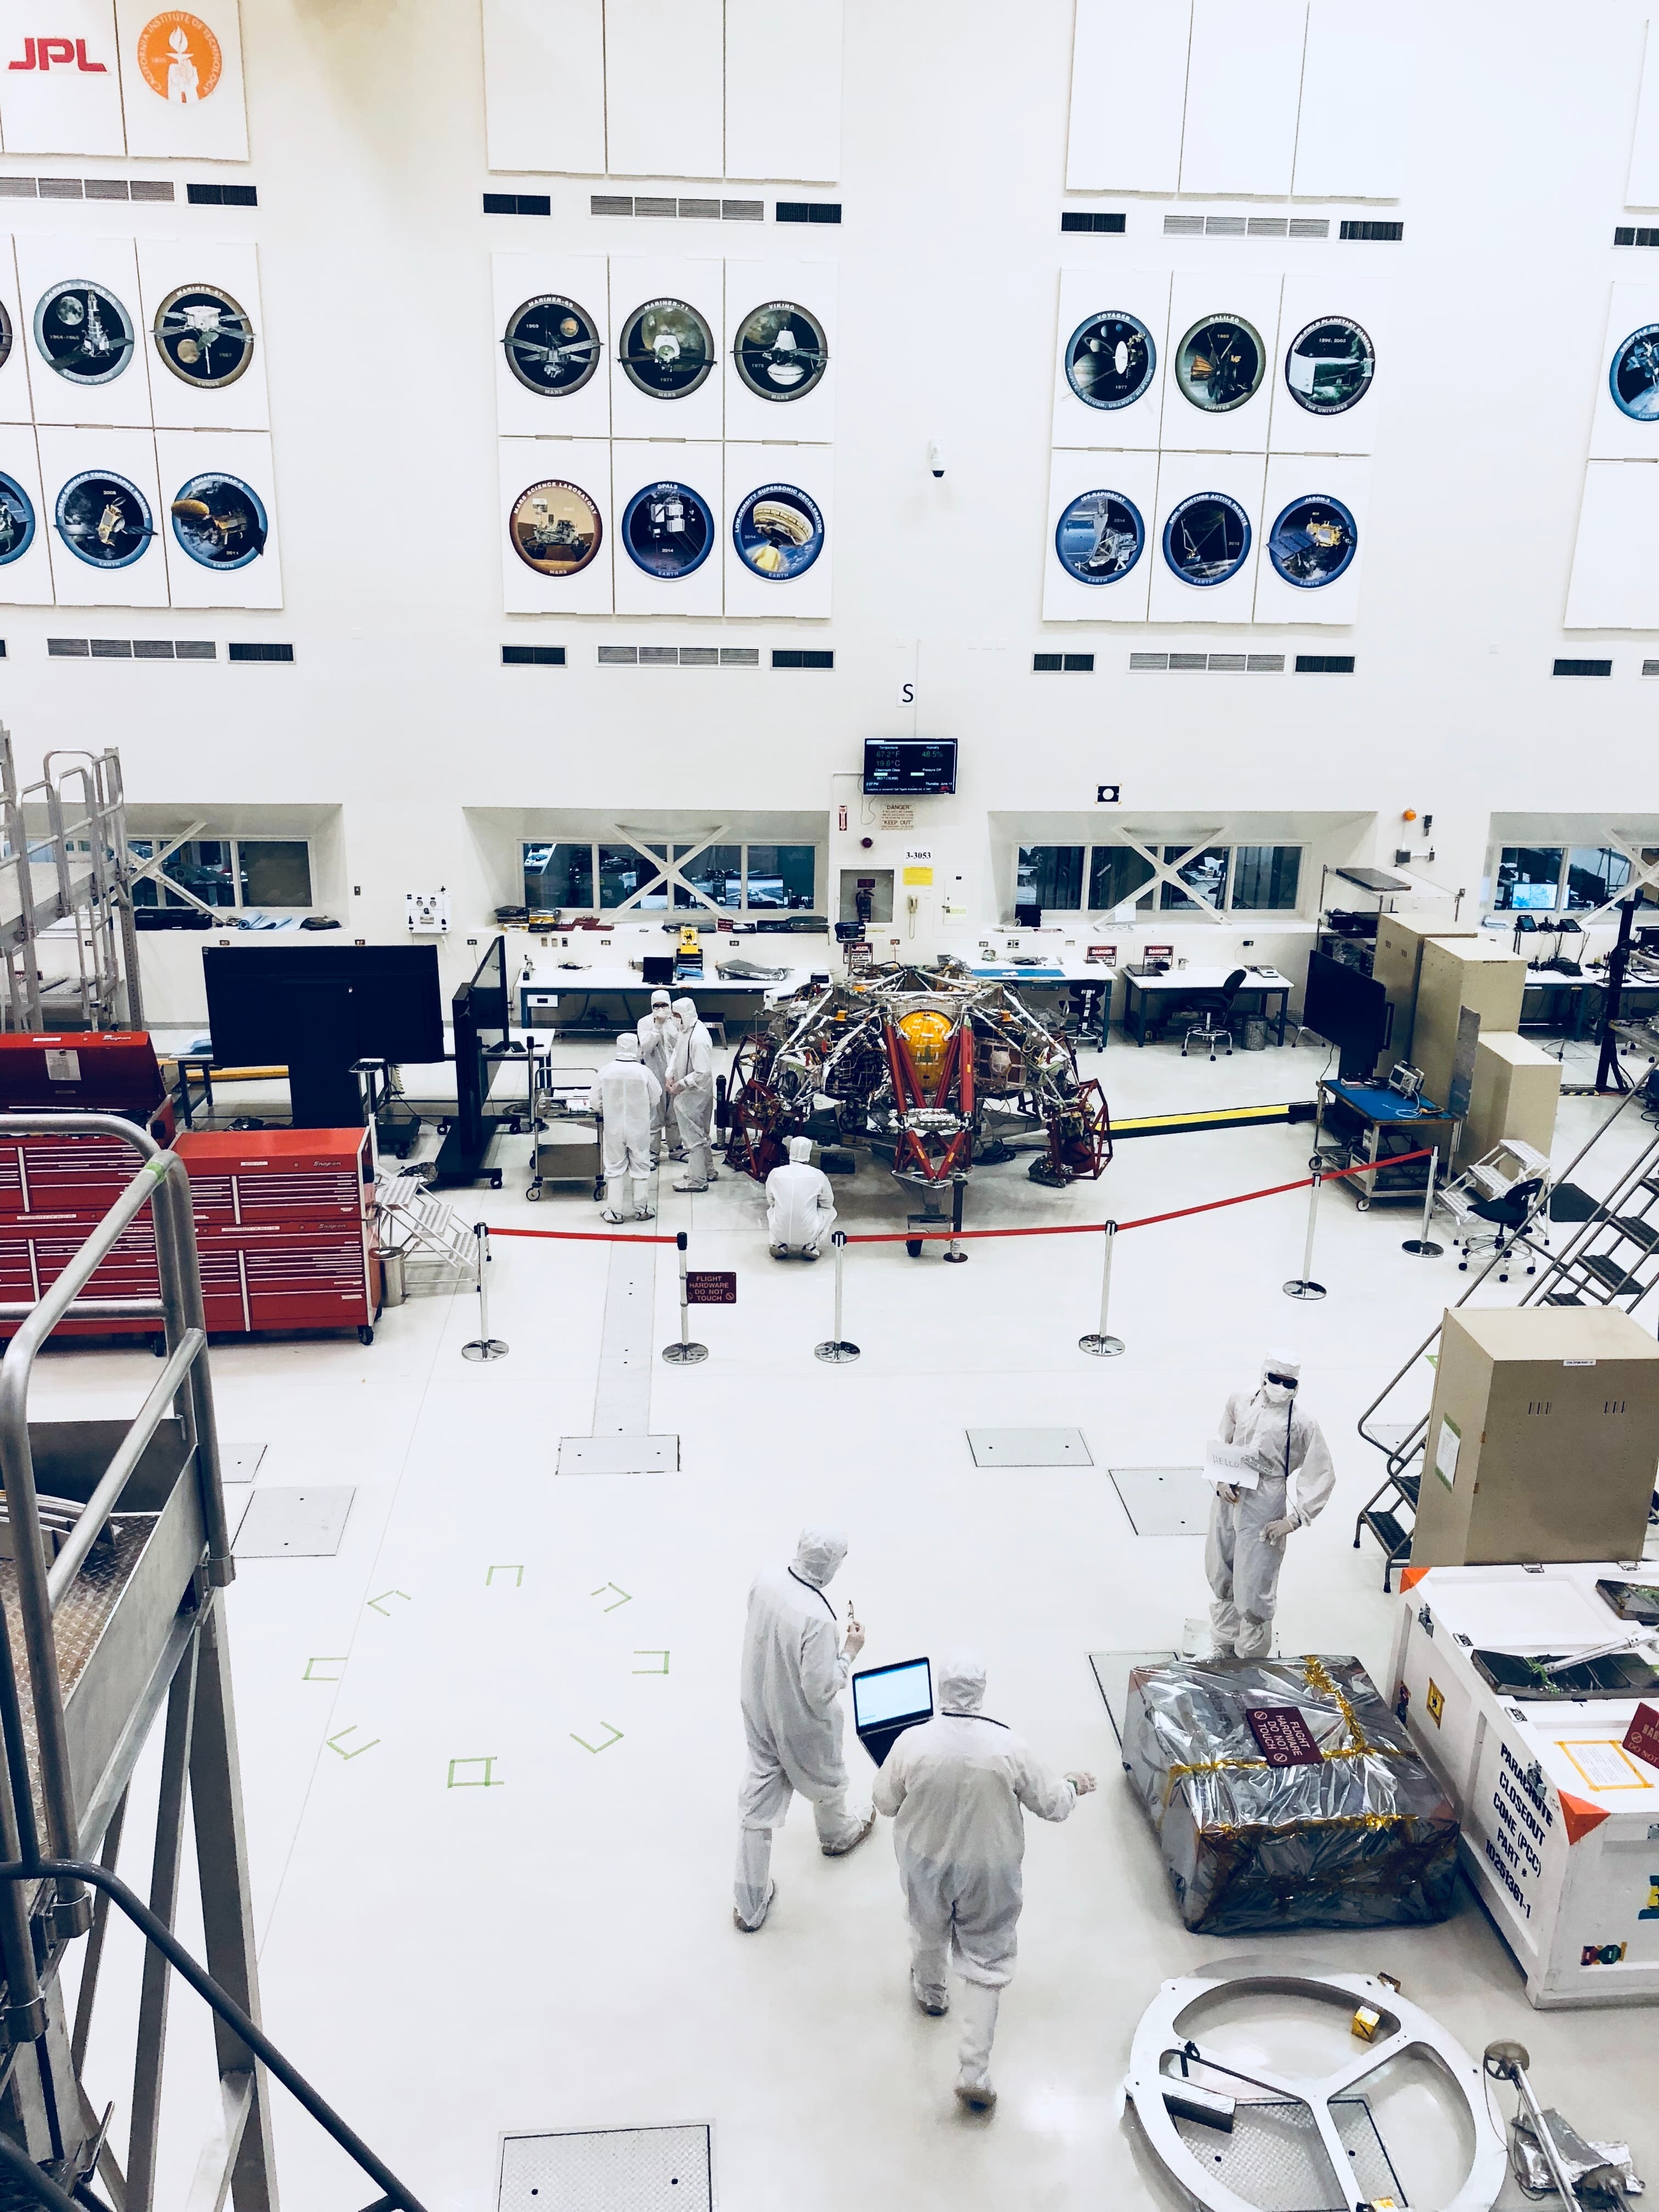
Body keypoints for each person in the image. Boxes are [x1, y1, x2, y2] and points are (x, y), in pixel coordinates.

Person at [873, 1650, 1095, 2114]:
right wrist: (1073, 1783)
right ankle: (974, 2072)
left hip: (924, 1862)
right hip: (989, 1870)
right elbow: (1053, 1805)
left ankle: (931, 1994)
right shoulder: (1008, 1746)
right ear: (981, 1693)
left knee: (927, 1930)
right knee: (987, 1958)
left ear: (941, 1690)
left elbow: (884, 1803)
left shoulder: (913, 1742)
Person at [735, 1527, 875, 1932]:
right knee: (828, 1779)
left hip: (760, 1704)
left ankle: (749, 1904)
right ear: (829, 1564)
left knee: (756, 1805)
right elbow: (819, 1689)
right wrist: (849, 1653)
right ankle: (836, 1835)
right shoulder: (818, 1618)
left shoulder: (766, 1579)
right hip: (801, 1724)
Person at [1205, 1350, 1336, 1660]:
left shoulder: (1303, 1424)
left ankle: (1250, 1663)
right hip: (1230, 1494)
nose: (1281, 1387)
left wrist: (1294, 1519)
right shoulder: (1240, 1401)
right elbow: (1222, 1440)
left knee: (1254, 1582)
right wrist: (1221, 1479)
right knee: (1221, 1565)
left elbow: (1322, 1472)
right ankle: (1222, 1648)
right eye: (1275, 1380)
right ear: (1263, 1377)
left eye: (1288, 1383)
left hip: (1265, 1499)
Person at [586, 1033, 659, 1224]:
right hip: (639, 1128)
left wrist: (608, 1109)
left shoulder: (606, 1071)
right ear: (636, 1047)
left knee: (614, 1168)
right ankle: (642, 1209)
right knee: (641, 1166)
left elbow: (594, 1100)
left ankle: (615, 1212)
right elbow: (657, 1096)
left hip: (614, 1128)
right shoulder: (643, 1072)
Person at [667, 995, 716, 1192]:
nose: (673, 1019)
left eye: (676, 1015)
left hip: (695, 1094)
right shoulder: (686, 1029)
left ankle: (697, 1181)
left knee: (693, 1138)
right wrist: (669, 1074)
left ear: (686, 1015)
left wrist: (681, 1084)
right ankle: (707, 1171)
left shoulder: (699, 1039)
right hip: (688, 1092)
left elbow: (702, 1072)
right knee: (701, 1134)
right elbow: (677, 1053)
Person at [765, 1135, 837, 1260]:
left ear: (790, 1151)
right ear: (808, 1154)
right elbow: (828, 1203)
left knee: (773, 1209)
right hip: (808, 1233)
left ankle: (779, 1244)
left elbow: (771, 1200)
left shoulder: (776, 1173)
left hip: (779, 1231)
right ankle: (811, 1246)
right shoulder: (818, 1175)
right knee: (831, 1212)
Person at [636, 988, 678, 1160]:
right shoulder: (645, 1023)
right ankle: (653, 1151)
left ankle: (676, 1148)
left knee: (675, 1110)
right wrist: (657, 1027)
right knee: (655, 1112)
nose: (661, 1009)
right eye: (657, 1006)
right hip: (654, 1073)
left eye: (664, 1005)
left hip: (676, 1073)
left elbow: (681, 1045)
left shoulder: (677, 1021)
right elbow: (645, 1048)